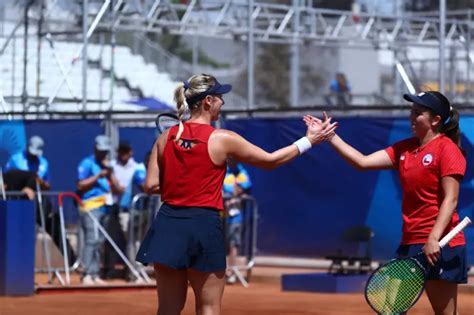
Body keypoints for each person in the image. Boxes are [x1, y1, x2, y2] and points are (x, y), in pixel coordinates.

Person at [135, 73, 336, 315]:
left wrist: (183, 182)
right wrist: (309, 140)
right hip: (202, 225)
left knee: (167, 309)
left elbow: (150, 186)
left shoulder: (166, 137)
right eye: (220, 97)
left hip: (168, 225)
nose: (223, 102)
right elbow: (271, 161)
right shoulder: (222, 139)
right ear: (208, 101)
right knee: (209, 308)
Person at [305, 91, 467, 315]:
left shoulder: (447, 149)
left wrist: (433, 238)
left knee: (445, 313)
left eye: (418, 113)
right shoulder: (405, 148)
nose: (412, 117)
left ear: (435, 120)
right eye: (412, 111)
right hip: (410, 242)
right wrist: (330, 136)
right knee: (390, 309)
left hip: (441, 244)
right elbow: (362, 162)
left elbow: (451, 199)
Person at [76, 135, 121, 285]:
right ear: (95, 148)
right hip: (90, 206)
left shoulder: (108, 166)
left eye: (105, 151)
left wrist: (110, 173)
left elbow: (117, 188)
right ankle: (86, 273)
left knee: (99, 241)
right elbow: (80, 185)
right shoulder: (87, 163)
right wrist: (97, 176)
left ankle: (94, 273)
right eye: (101, 150)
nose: (103, 154)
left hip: (105, 207)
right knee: (91, 240)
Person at [104, 141, 146, 280]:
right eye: (121, 152)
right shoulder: (112, 165)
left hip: (130, 209)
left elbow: (141, 186)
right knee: (114, 241)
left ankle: (133, 272)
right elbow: (112, 186)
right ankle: (122, 272)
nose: (123, 155)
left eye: (125, 151)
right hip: (113, 207)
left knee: (133, 241)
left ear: (131, 152)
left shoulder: (137, 167)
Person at [222, 159, 252, 284]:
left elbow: (241, 189)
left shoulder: (242, 173)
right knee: (218, 245)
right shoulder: (223, 171)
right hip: (219, 216)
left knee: (233, 244)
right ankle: (220, 272)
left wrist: (231, 193)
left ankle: (231, 272)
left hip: (235, 218)